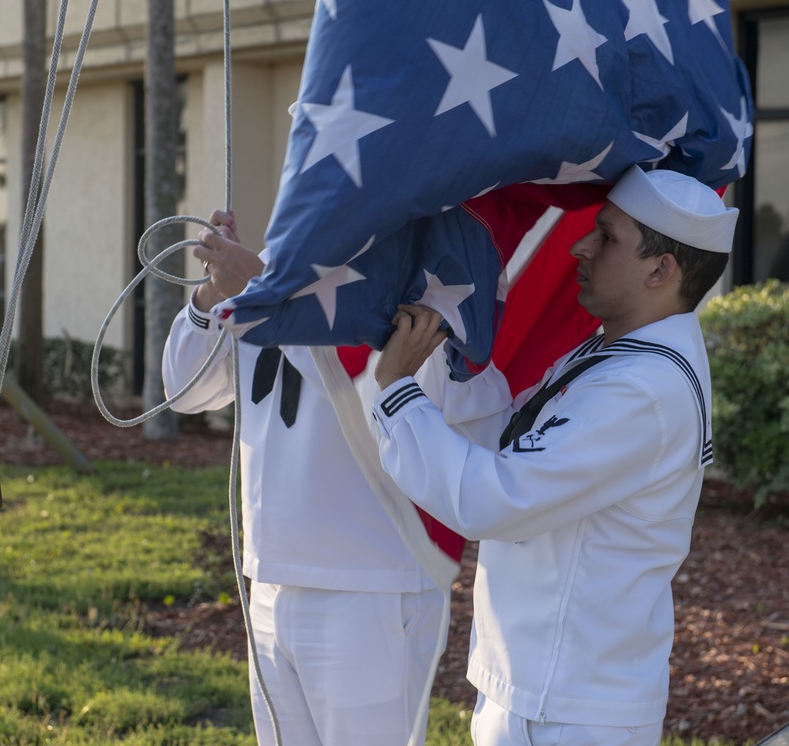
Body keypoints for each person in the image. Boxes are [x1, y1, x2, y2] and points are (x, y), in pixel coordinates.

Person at [370, 165, 738, 746]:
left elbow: (496, 500)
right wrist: (458, 365)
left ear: (660, 270)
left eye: (608, 237)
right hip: (543, 688)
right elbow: (514, 445)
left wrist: (396, 393)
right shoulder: (618, 355)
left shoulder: (641, 389)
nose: (580, 246)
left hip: (571, 708)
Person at [161, 209, 460, 746]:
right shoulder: (275, 264)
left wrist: (261, 291)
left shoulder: (416, 259)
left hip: (369, 581)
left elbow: (384, 400)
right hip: (272, 575)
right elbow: (186, 392)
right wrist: (214, 293)